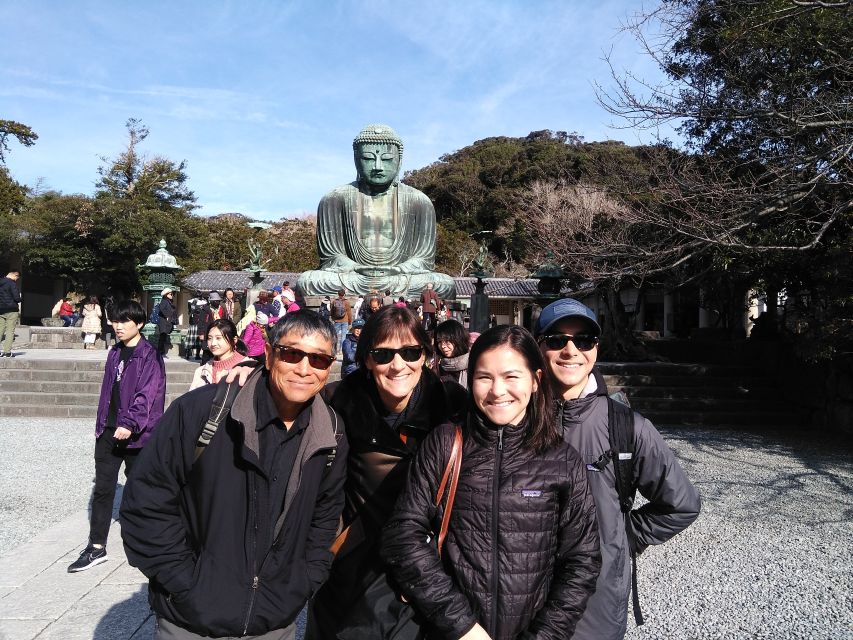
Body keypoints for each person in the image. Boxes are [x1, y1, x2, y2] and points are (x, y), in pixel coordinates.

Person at [121, 310, 348, 639]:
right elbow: (146, 500)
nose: (304, 368)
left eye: (319, 360)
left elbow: (326, 515)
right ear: (269, 355)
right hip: (191, 618)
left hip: (273, 620)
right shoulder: (202, 411)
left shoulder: (332, 434)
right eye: (292, 353)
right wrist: (184, 582)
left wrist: (304, 580)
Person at [382, 325, 601, 639]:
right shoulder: (446, 442)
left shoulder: (561, 459)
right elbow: (403, 533)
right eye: (484, 377)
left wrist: (547, 634)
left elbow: (582, 559)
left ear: (536, 380)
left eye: (512, 377)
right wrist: (461, 625)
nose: (498, 391)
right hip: (452, 631)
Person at [535, 298, 702, 640]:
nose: (571, 350)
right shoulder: (519, 419)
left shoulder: (627, 426)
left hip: (596, 601)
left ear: (595, 348)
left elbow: (682, 504)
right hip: (523, 594)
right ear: (538, 347)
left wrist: (624, 537)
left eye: (583, 340)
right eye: (556, 340)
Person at [305, 305, 465, 640]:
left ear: (425, 354)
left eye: (410, 352)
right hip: (354, 562)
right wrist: (254, 375)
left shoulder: (451, 403)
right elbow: (285, 401)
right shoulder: (338, 402)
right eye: (382, 354)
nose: (398, 365)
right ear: (365, 359)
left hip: (427, 565)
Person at [297, 124, 455, 299]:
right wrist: (355, 267)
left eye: (387, 159)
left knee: (443, 283)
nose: (378, 166)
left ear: (399, 161)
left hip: (400, 277)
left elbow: (423, 259)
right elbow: (331, 256)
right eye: (368, 158)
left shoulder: (419, 201)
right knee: (309, 281)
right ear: (356, 160)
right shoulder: (334, 198)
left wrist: (399, 269)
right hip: (354, 276)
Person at [67, 300, 166, 573]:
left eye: (124, 321)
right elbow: (108, 391)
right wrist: (103, 424)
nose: (118, 326)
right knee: (103, 489)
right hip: (109, 431)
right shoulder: (114, 352)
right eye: (115, 321)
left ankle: (153, 542)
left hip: (137, 435)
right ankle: (96, 547)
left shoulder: (149, 355)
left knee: (141, 488)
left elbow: (147, 394)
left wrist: (130, 422)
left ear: (140, 324)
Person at [189, 319, 252, 390]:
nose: (213, 343)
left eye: (218, 338)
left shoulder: (249, 367)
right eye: (210, 338)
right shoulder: (201, 371)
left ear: (234, 340)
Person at [434, 319, 471, 388]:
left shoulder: (473, 364)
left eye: (447, 340)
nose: (443, 346)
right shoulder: (438, 367)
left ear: (459, 339)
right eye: (439, 341)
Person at [0, 270, 21, 358]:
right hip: (11, 310)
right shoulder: (12, 284)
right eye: (17, 278)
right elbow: (16, 297)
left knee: (0, 330)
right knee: (10, 331)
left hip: (1, 310)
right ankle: (7, 352)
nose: (16, 280)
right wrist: (20, 299)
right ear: (15, 275)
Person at [156, 288, 177, 357]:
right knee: (162, 336)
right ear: (166, 294)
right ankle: (160, 352)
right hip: (163, 321)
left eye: (172, 294)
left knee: (163, 336)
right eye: (170, 294)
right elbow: (162, 309)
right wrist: (167, 316)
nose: (172, 295)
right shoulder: (164, 301)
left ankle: (161, 351)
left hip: (166, 321)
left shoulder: (169, 301)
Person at [330, 289, 352, 353]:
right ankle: (341, 350)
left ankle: (334, 349)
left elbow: (332, 312)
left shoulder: (334, 301)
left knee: (335, 335)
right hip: (345, 320)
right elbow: (349, 313)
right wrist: (350, 322)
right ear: (344, 294)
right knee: (343, 336)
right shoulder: (346, 302)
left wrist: (333, 319)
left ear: (338, 294)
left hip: (337, 320)